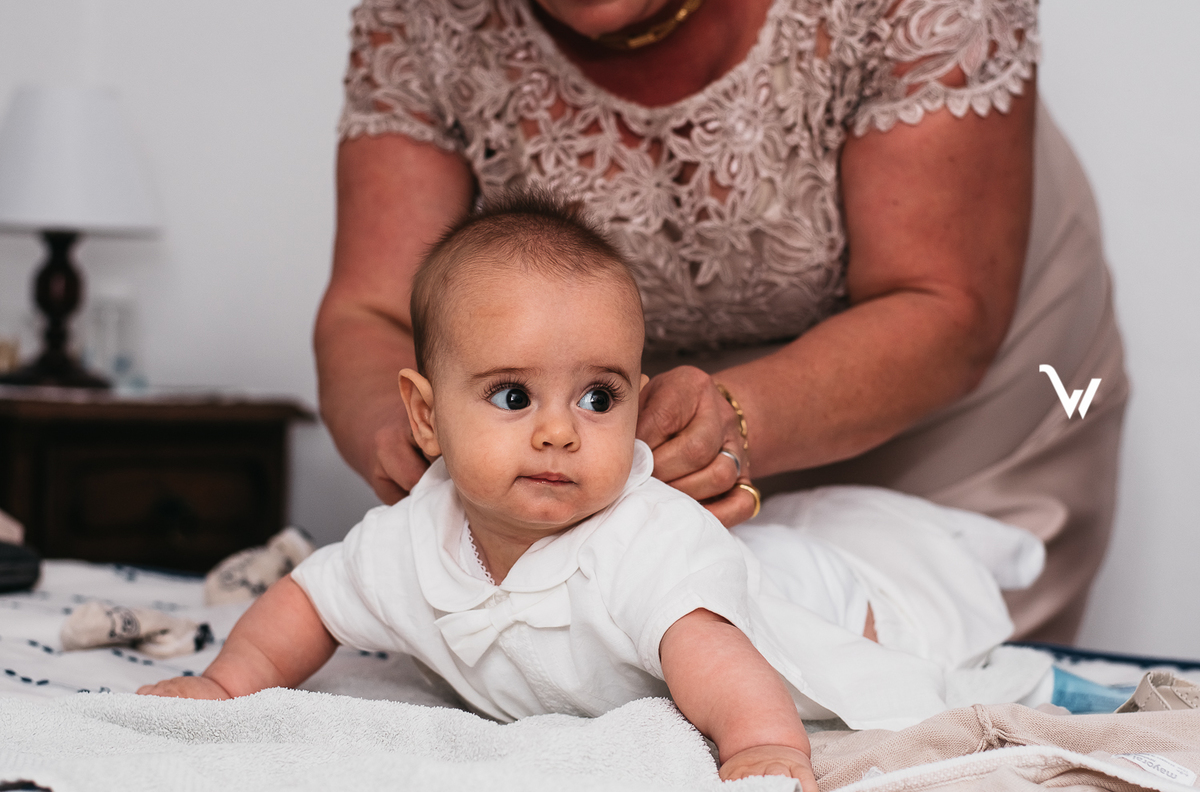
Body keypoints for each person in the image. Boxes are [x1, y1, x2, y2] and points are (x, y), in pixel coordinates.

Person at [314, 0, 1127, 646]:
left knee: (914, 694)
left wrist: (730, 421)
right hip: (617, 431)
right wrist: (403, 434)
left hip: (954, 425)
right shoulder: (423, 10)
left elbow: (941, 304)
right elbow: (372, 308)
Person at [139, 198, 1045, 783]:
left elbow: (723, 670)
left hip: (805, 597)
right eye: (510, 395)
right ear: (424, 417)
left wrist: (765, 754)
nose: (559, 430)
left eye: (599, 396)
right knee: (810, 545)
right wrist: (228, 686)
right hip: (741, 560)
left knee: (907, 600)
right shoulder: (411, 539)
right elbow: (309, 602)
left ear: (637, 405)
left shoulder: (641, 543)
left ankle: (971, 549)